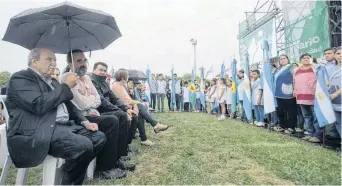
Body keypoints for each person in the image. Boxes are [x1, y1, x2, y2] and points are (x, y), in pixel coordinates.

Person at [5, 48, 107, 185]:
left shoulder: (52, 82)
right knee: (84, 146)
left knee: (99, 137)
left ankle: (65, 175)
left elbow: (70, 106)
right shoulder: (21, 78)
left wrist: (85, 121)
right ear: (34, 62)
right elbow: (38, 104)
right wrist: (65, 86)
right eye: (49, 59)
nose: (54, 63)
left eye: (54, 59)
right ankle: (69, 181)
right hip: (37, 130)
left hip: (62, 126)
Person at [61, 50, 133, 177]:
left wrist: (89, 100)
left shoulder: (87, 78)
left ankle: (118, 158)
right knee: (112, 120)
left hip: (93, 113)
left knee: (120, 115)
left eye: (84, 61)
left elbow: (98, 100)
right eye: (78, 61)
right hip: (79, 118)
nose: (83, 64)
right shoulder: (67, 78)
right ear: (70, 63)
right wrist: (91, 100)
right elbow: (81, 105)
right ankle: (104, 168)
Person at [90, 62, 139, 153]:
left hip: (110, 109)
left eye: (104, 71)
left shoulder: (104, 82)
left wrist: (125, 108)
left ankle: (124, 148)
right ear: (93, 70)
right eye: (100, 70)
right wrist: (121, 110)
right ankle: (120, 153)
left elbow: (115, 98)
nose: (103, 72)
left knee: (132, 115)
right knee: (121, 116)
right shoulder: (92, 82)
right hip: (100, 111)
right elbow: (102, 101)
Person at [293, 53, 322, 143]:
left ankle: (318, 135)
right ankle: (310, 133)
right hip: (301, 96)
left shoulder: (317, 68)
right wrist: (294, 91)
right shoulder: (296, 70)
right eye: (303, 58)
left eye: (308, 58)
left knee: (316, 116)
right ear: (301, 60)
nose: (306, 59)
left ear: (311, 59)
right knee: (307, 116)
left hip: (314, 96)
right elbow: (294, 81)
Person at [273, 55, 297, 134]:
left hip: (289, 92)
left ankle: (291, 127)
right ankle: (282, 125)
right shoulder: (277, 69)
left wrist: (295, 89)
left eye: (284, 58)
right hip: (278, 93)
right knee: (280, 111)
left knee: (290, 111)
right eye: (281, 59)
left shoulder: (292, 67)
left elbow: (296, 78)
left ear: (288, 59)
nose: (282, 60)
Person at [329, 47, 341, 137]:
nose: (340, 55)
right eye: (338, 53)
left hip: (336, 96)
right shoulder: (333, 69)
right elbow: (334, 84)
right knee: (338, 123)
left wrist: (336, 94)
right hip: (335, 101)